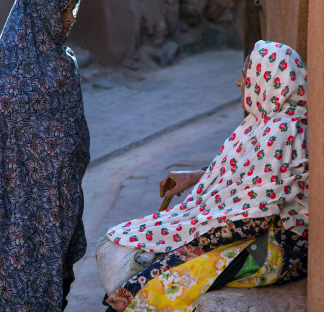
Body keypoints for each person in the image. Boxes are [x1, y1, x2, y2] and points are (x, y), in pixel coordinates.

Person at [97, 40, 308, 312]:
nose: (238, 82)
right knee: (152, 255)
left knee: (158, 284)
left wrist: (193, 236)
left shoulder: (281, 134)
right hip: (246, 232)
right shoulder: (262, 123)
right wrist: (197, 179)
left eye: (246, 74)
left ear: (267, 80)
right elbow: (247, 181)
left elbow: (256, 221)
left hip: (274, 248)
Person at [0, 0, 90, 311]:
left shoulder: (61, 61)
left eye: (73, 9)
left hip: (57, 196)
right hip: (15, 199)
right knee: (16, 272)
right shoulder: (8, 66)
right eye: (64, 11)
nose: (71, 18)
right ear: (42, 10)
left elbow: (71, 131)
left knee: (54, 274)